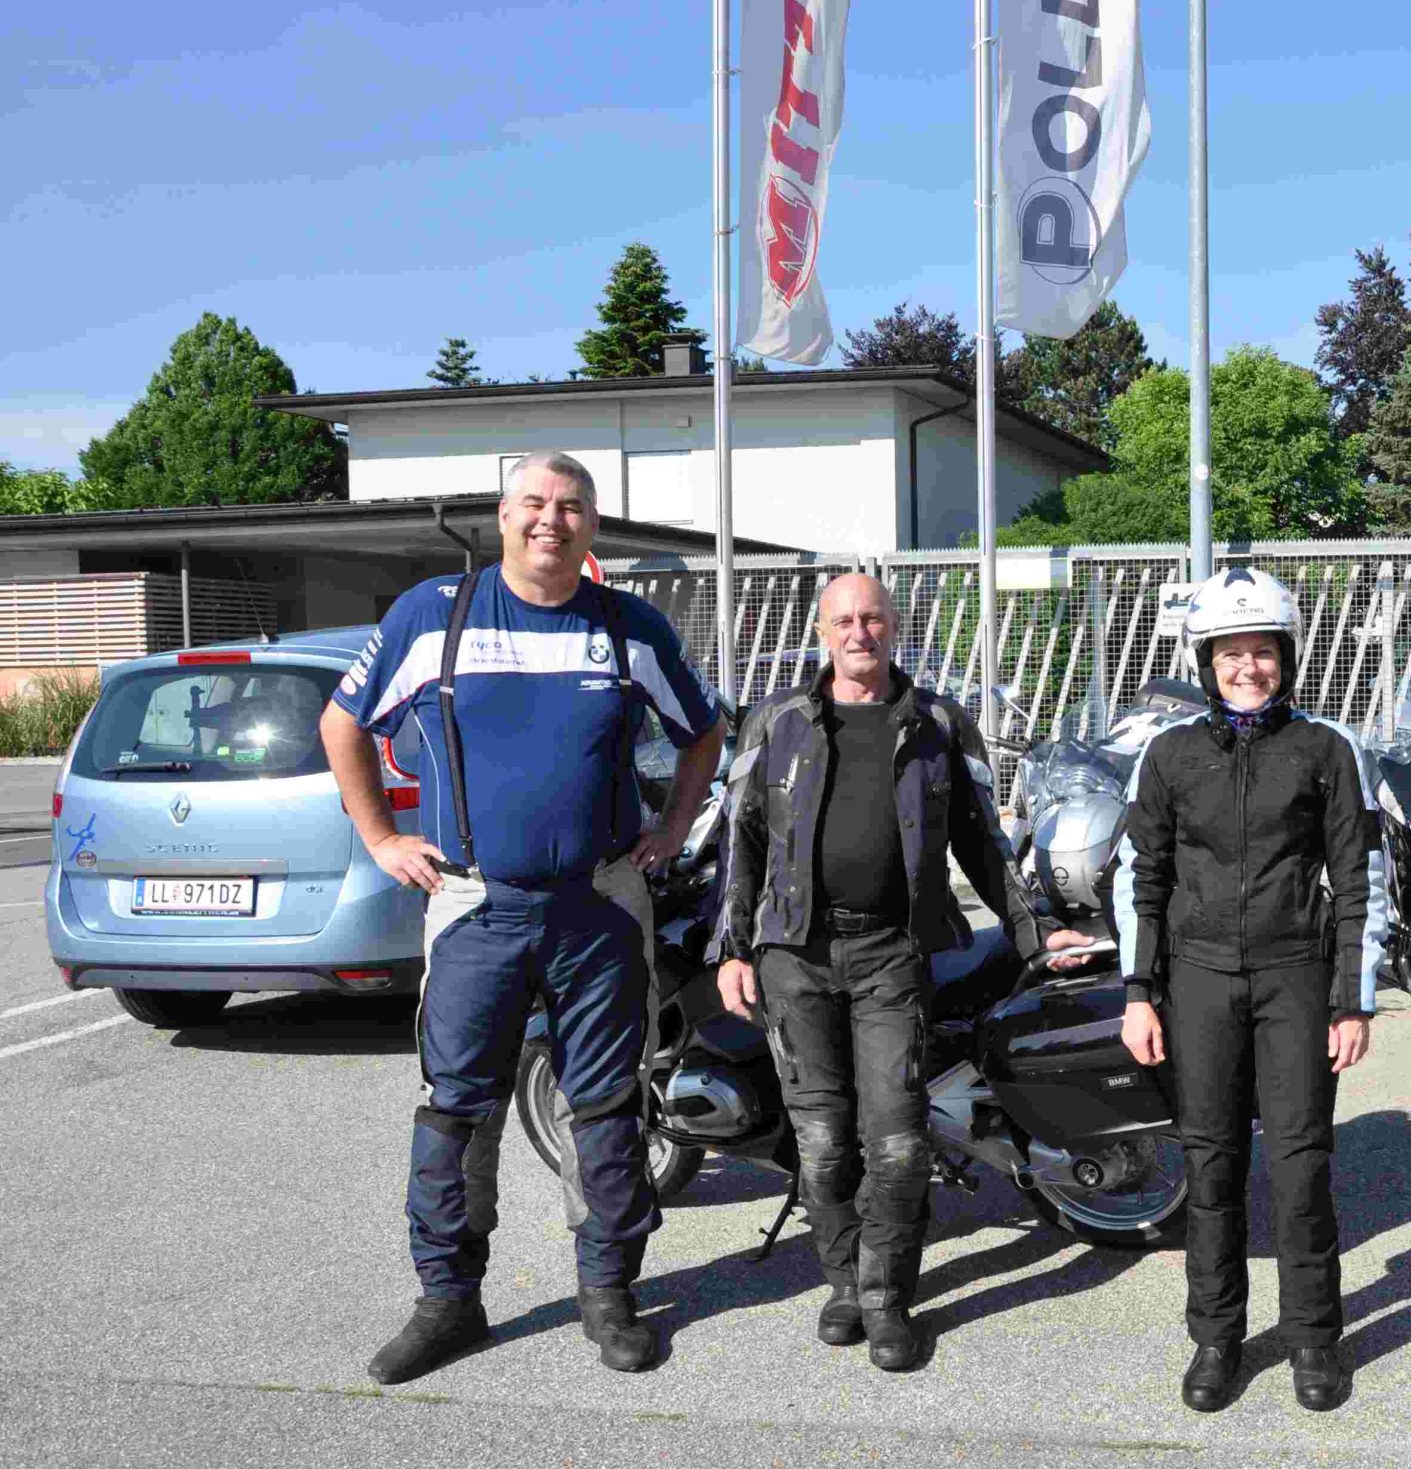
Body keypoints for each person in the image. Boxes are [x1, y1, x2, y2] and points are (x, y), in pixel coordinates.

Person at [322, 452, 724, 1383]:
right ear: (503, 518)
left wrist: (672, 825)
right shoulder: (434, 615)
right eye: (535, 503)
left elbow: (702, 732)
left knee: (607, 1107)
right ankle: (448, 1302)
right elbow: (343, 725)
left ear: (593, 525)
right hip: (475, 907)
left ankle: (609, 1294)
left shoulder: (628, 627)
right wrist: (380, 837)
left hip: (600, 906)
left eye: (571, 506)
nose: (552, 519)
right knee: (457, 1112)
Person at [715, 574, 1089, 1371]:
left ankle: (887, 1297)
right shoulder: (775, 721)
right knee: (822, 1145)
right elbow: (739, 841)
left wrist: (1033, 934)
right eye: (845, 620)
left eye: (874, 618)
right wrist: (733, 950)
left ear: (895, 627)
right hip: (794, 956)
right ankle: (845, 1284)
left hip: (892, 954)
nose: (860, 632)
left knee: (897, 1145)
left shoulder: (939, 724)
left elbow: (983, 842)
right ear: (822, 632)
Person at [1114, 568, 1387, 1413]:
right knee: (1212, 1166)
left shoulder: (1326, 750)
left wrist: (1353, 998)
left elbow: (1359, 878)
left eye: (1261, 651)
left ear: (1286, 657)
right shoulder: (1169, 755)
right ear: (1205, 661)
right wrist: (1138, 991)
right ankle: (1216, 1338)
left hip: (1295, 978)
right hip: (1197, 981)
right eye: (1230, 653)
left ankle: (1313, 1337)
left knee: (1301, 1169)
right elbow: (1142, 877)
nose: (1247, 668)